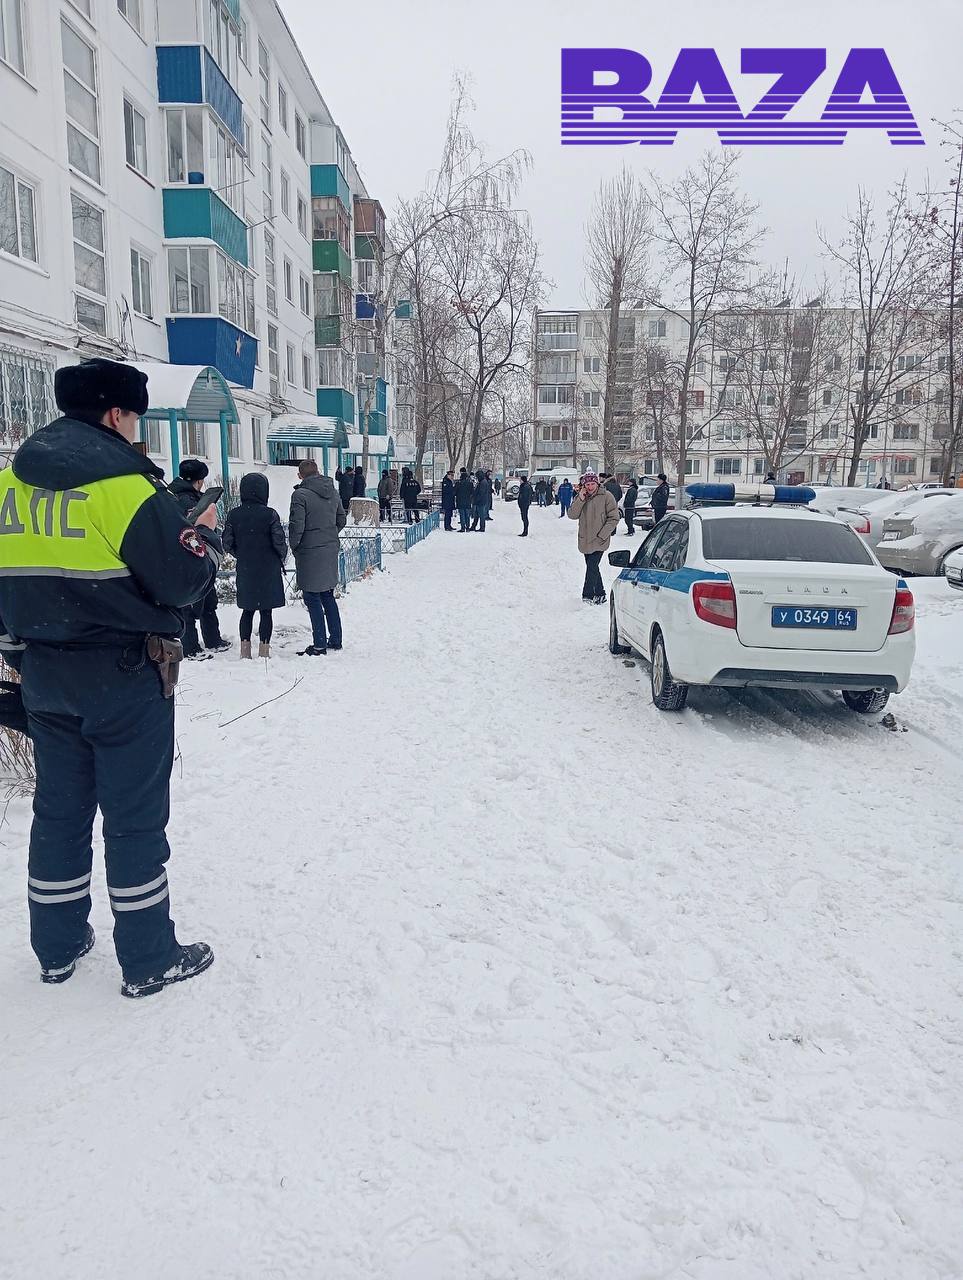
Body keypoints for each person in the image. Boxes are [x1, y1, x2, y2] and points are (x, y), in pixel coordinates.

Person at [0, 358, 219, 997]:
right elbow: (182, 581)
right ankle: (149, 956)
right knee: (133, 818)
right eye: (136, 418)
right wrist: (199, 540)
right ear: (116, 414)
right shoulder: (123, 487)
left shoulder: (11, 486)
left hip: (44, 678)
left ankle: (58, 945)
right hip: (125, 676)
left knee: (59, 814)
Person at [169, 459, 230, 659]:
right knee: (194, 602)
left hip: (180, 555)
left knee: (204, 598)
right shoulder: (191, 502)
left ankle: (211, 639)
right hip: (192, 553)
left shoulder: (169, 496)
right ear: (198, 481)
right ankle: (192, 646)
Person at [222, 473, 287, 659]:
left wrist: (241, 554)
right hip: (268, 567)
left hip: (246, 567)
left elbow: (227, 543)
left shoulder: (234, 514)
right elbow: (279, 542)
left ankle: (245, 650)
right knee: (266, 611)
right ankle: (264, 650)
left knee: (247, 610)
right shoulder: (270, 514)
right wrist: (277, 557)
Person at [288, 460, 346, 656]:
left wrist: (295, 545)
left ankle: (319, 644)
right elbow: (341, 519)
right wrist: (328, 535)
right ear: (318, 472)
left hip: (309, 551)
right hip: (329, 548)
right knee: (327, 595)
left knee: (312, 597)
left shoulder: (299, 495)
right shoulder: (332, 490)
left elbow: (297, 526)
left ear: (300, 475)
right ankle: (335, 639)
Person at [567, 470, 619, 603]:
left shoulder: (607, 496)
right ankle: (601, 593)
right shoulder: (581, 497)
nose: (590, 487)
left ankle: (587, 595)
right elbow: (572, 515)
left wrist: (603, 534)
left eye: (592, 484)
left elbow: (613, 518)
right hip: (585, 539)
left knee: (591, 567)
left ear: (597, 483)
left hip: (600, 539)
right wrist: (580, 499)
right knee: (593, 567)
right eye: (587, 484)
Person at [455, 468, 473, 532]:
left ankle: (463, 528)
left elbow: (455, 492)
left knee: (462, 515)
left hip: (460, 501)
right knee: (467, 515)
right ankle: (468, 527)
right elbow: (472, 492)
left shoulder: (458, 483)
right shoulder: (470, 483)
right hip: (468, 501)